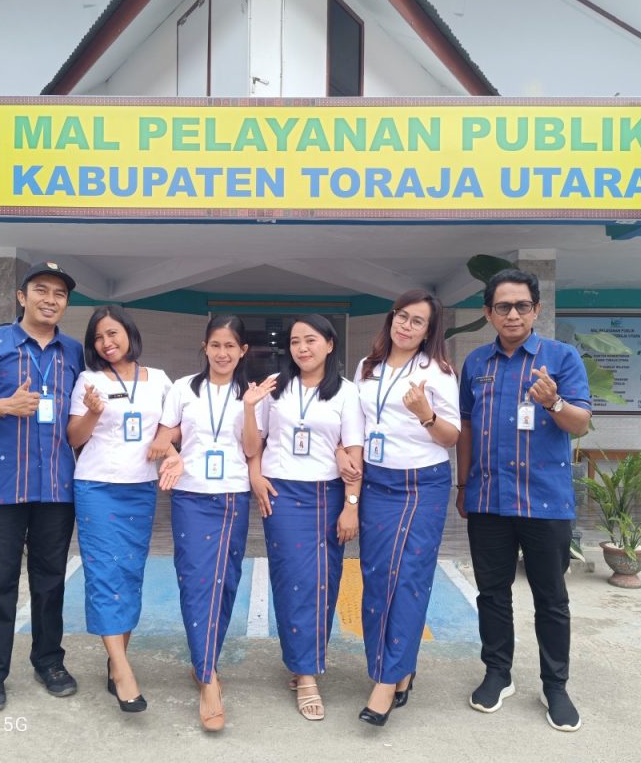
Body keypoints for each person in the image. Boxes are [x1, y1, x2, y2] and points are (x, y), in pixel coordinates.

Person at [456, 269, 591, 732]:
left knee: (550, 599)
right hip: (488, 499)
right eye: (502, 306)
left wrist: (554, 402)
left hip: (545, 502)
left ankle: (555, 686)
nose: (512, 314)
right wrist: (463, 486)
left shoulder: (561, 357)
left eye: (521, 306)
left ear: (536, 310)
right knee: (492, 594)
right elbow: (466, 426)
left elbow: (580, 423)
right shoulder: (476, 363)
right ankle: (498, 673)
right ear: (488, 312)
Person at [0, 261, 85, 714]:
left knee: (51, 582)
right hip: (0, 489)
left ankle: (49, 662)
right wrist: (5, 405)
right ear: (22, 297)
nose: (50, 299)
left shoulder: (73, 351)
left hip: (56, 488)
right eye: (41, 290)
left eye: (60, 294)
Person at [348, 290, 460, 726]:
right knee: (377, 577)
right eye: (402, 316)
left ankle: (385, 678)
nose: (406, 326)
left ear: (429, 331)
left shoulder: (439, 372)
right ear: (391, 318)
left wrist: (425, 414)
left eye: (417, 321)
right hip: (377, 481)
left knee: (408, 577)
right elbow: (358, 424)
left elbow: (451, 437)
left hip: (421, 483)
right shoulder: (367, 366)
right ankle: (399, 667)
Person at [244, 314, 364, 722]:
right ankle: (306, 673)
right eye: (295, 341)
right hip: (281, 494)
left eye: (310, 340)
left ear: (330, 344)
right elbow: (256, 442)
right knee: (291, 581)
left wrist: (351, 505)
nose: (302, 348)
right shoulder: (275, 387)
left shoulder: (346, 393)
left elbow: (353, 452)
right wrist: (255, 475)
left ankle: (305, 663)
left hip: (327, 494)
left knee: (323, 583)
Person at [149, 314, 262, 732]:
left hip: (232, 495)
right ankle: (209, 678)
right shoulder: (183, 388)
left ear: (243, 351)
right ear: (204, 347)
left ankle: (205, 662)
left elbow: (252, 449)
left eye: (230, 346)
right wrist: (173, 455)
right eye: (215, 345)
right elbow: (163, 437)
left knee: (224, 581)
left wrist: (249, 409)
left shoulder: (252, 394)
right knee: (195, 580)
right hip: (191, 496)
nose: (222, 353)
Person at [67, 305, 181, 714]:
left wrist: (165, 440)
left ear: (129, 333)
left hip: (140, 488)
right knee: (103, 572)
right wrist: (94, 412)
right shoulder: (90, 380)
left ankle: (116, 661)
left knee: (129, 573)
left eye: (112, 333)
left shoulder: (160, 380)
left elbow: (178, 422)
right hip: (97, 486)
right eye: (98, 338)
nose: (106, 343)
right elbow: (74, 437)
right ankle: (122, 670)